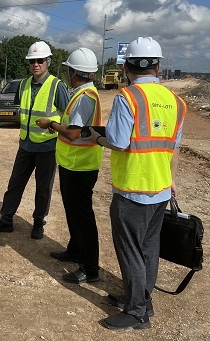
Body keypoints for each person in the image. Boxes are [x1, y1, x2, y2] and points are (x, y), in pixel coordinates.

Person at [84, 37, 187, 331]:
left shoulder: (127, 97)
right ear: (158, 67)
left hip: (132, 189)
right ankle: (143, 298)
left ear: (126, 68)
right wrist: (172, 181)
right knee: (148, 248)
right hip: (160, 189)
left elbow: (118, 141)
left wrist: (97, 138)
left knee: (130, 250)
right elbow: (174, 148)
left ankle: (137, 312)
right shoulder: (176, 102)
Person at [0, 41, 69, 238]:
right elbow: (22, 112)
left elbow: (67, 115)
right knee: (15, 184)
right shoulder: (23, 85)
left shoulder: (57, 86)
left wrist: (53, 125)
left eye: (40, 60)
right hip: (26, 144)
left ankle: (38, 222)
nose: (36, 64)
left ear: (48, 61)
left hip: (47, 145)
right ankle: (6, 219)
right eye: (32, 61)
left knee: (43, 188)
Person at [35, 48, 103, 283]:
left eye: (68, 70)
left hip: (80, 165)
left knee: (83, 217)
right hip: (73, 164)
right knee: (74, 214)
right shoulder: (83, 93)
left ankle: (90, 268)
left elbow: (73, 133)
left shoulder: (84, 97)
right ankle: (75, 250)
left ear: (73, 72)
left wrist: (51, 124)